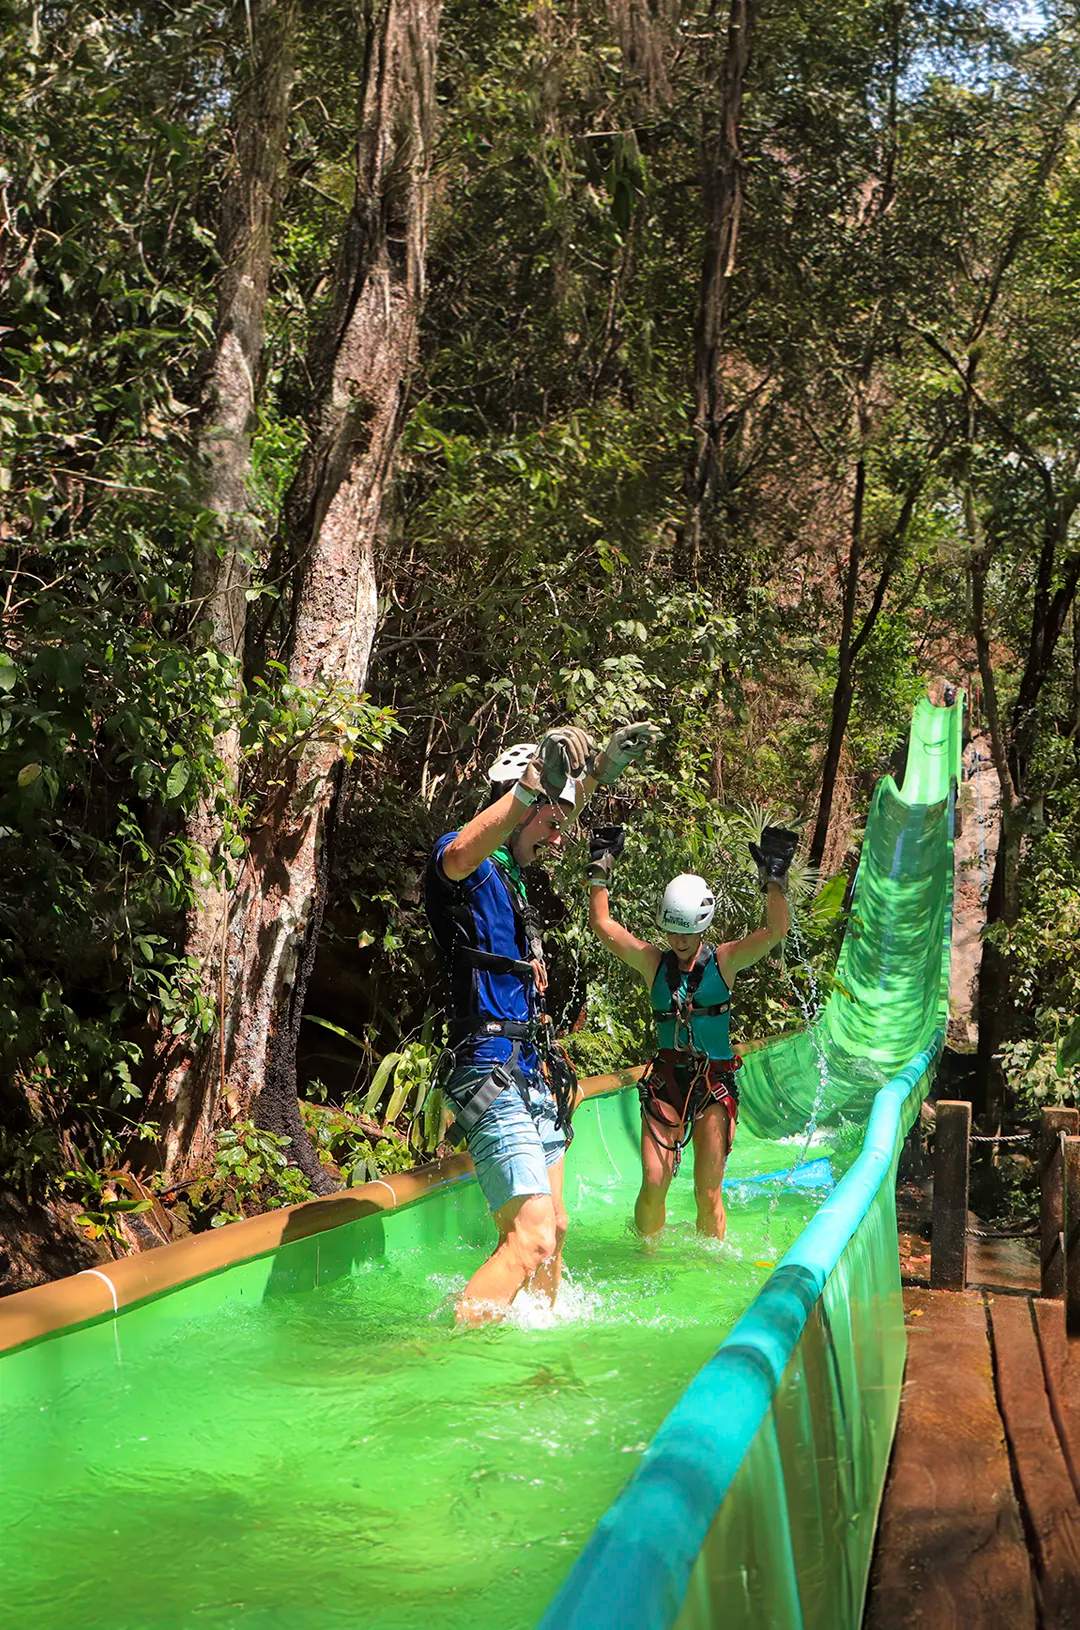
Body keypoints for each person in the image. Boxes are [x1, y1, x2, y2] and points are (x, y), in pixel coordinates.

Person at [425, 722, 659, 1323]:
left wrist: (597, 771)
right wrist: (531, 785)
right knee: (531, 1238)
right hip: (488, 1068)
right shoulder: (470, 864)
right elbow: (460, 854)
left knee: (555, 1226)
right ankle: (446, 1351)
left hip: (530, 1071)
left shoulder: (514, 876)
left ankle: (537, 1343)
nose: (559, 838)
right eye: (551, 823)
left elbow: (551, 812)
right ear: (521, 803)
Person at [586, 824, 795, 1241]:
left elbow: (775, 931)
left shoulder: (725, 962)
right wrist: (599, 871)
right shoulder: (653, 964)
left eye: (687, 933)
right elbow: (603, 924)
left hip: (713, 1082)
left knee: (707, 1192)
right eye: (672, 932)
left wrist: (774, 881)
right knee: (653, 1182)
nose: (679, 941)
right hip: (667, 1080)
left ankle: (711, 1262)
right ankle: (645, 1254)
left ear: (702, 927)